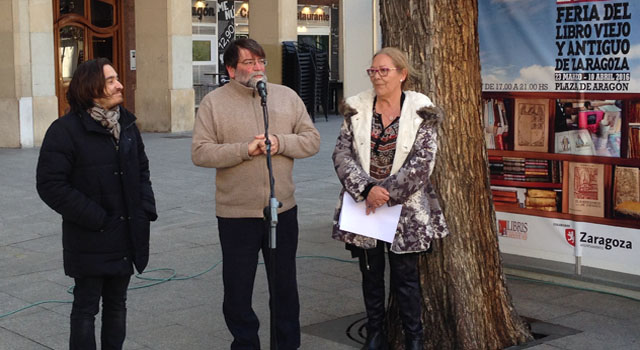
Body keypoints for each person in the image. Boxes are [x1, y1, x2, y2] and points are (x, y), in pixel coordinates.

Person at [191, 38, 320, 350]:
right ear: (231, 69)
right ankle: (245, 343)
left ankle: (286, 345)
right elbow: (201, 152)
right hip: (236, 214)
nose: (258, 68)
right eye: (249, 63)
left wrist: (281, 142)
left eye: (261, 61)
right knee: (237, 291)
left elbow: (312, 140)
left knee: (285, 287)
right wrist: (244, 150)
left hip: (282, 210)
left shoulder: (287, 96)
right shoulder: (214, 103)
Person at [331, 47, 449, 350]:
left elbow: (424, 161)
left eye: (384, 70)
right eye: (373, 70)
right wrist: (367, 190)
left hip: (406, 210)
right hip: (364, 206)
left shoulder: (422, 112)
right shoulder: (356, 110)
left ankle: (414, 338)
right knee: (370, 274)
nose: (377, 76)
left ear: (402, 74)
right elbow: (342, 153)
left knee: (406, 278)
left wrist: (388, 193)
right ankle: (375, 334)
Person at [36, 58, 158, 349]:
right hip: (90, 236)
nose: (119, 85)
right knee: (86, 307)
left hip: (127, 233)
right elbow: (50, 185)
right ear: (92, 87)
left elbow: (142, 169)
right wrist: (96, 217)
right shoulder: (64, 130)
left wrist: (145, 208)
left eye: (117, 78)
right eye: (111, 80)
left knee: (118, 304)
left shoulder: (127, 123)